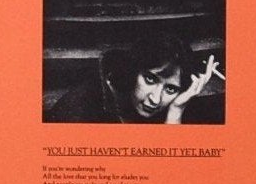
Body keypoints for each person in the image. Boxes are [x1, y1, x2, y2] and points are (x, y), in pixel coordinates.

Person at [49, 39, 224, 123]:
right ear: (131, 70)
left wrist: (176, 111)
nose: (155, 99)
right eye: (150, 79)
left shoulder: (177, 105)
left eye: (170, 89)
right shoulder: (78, 109)